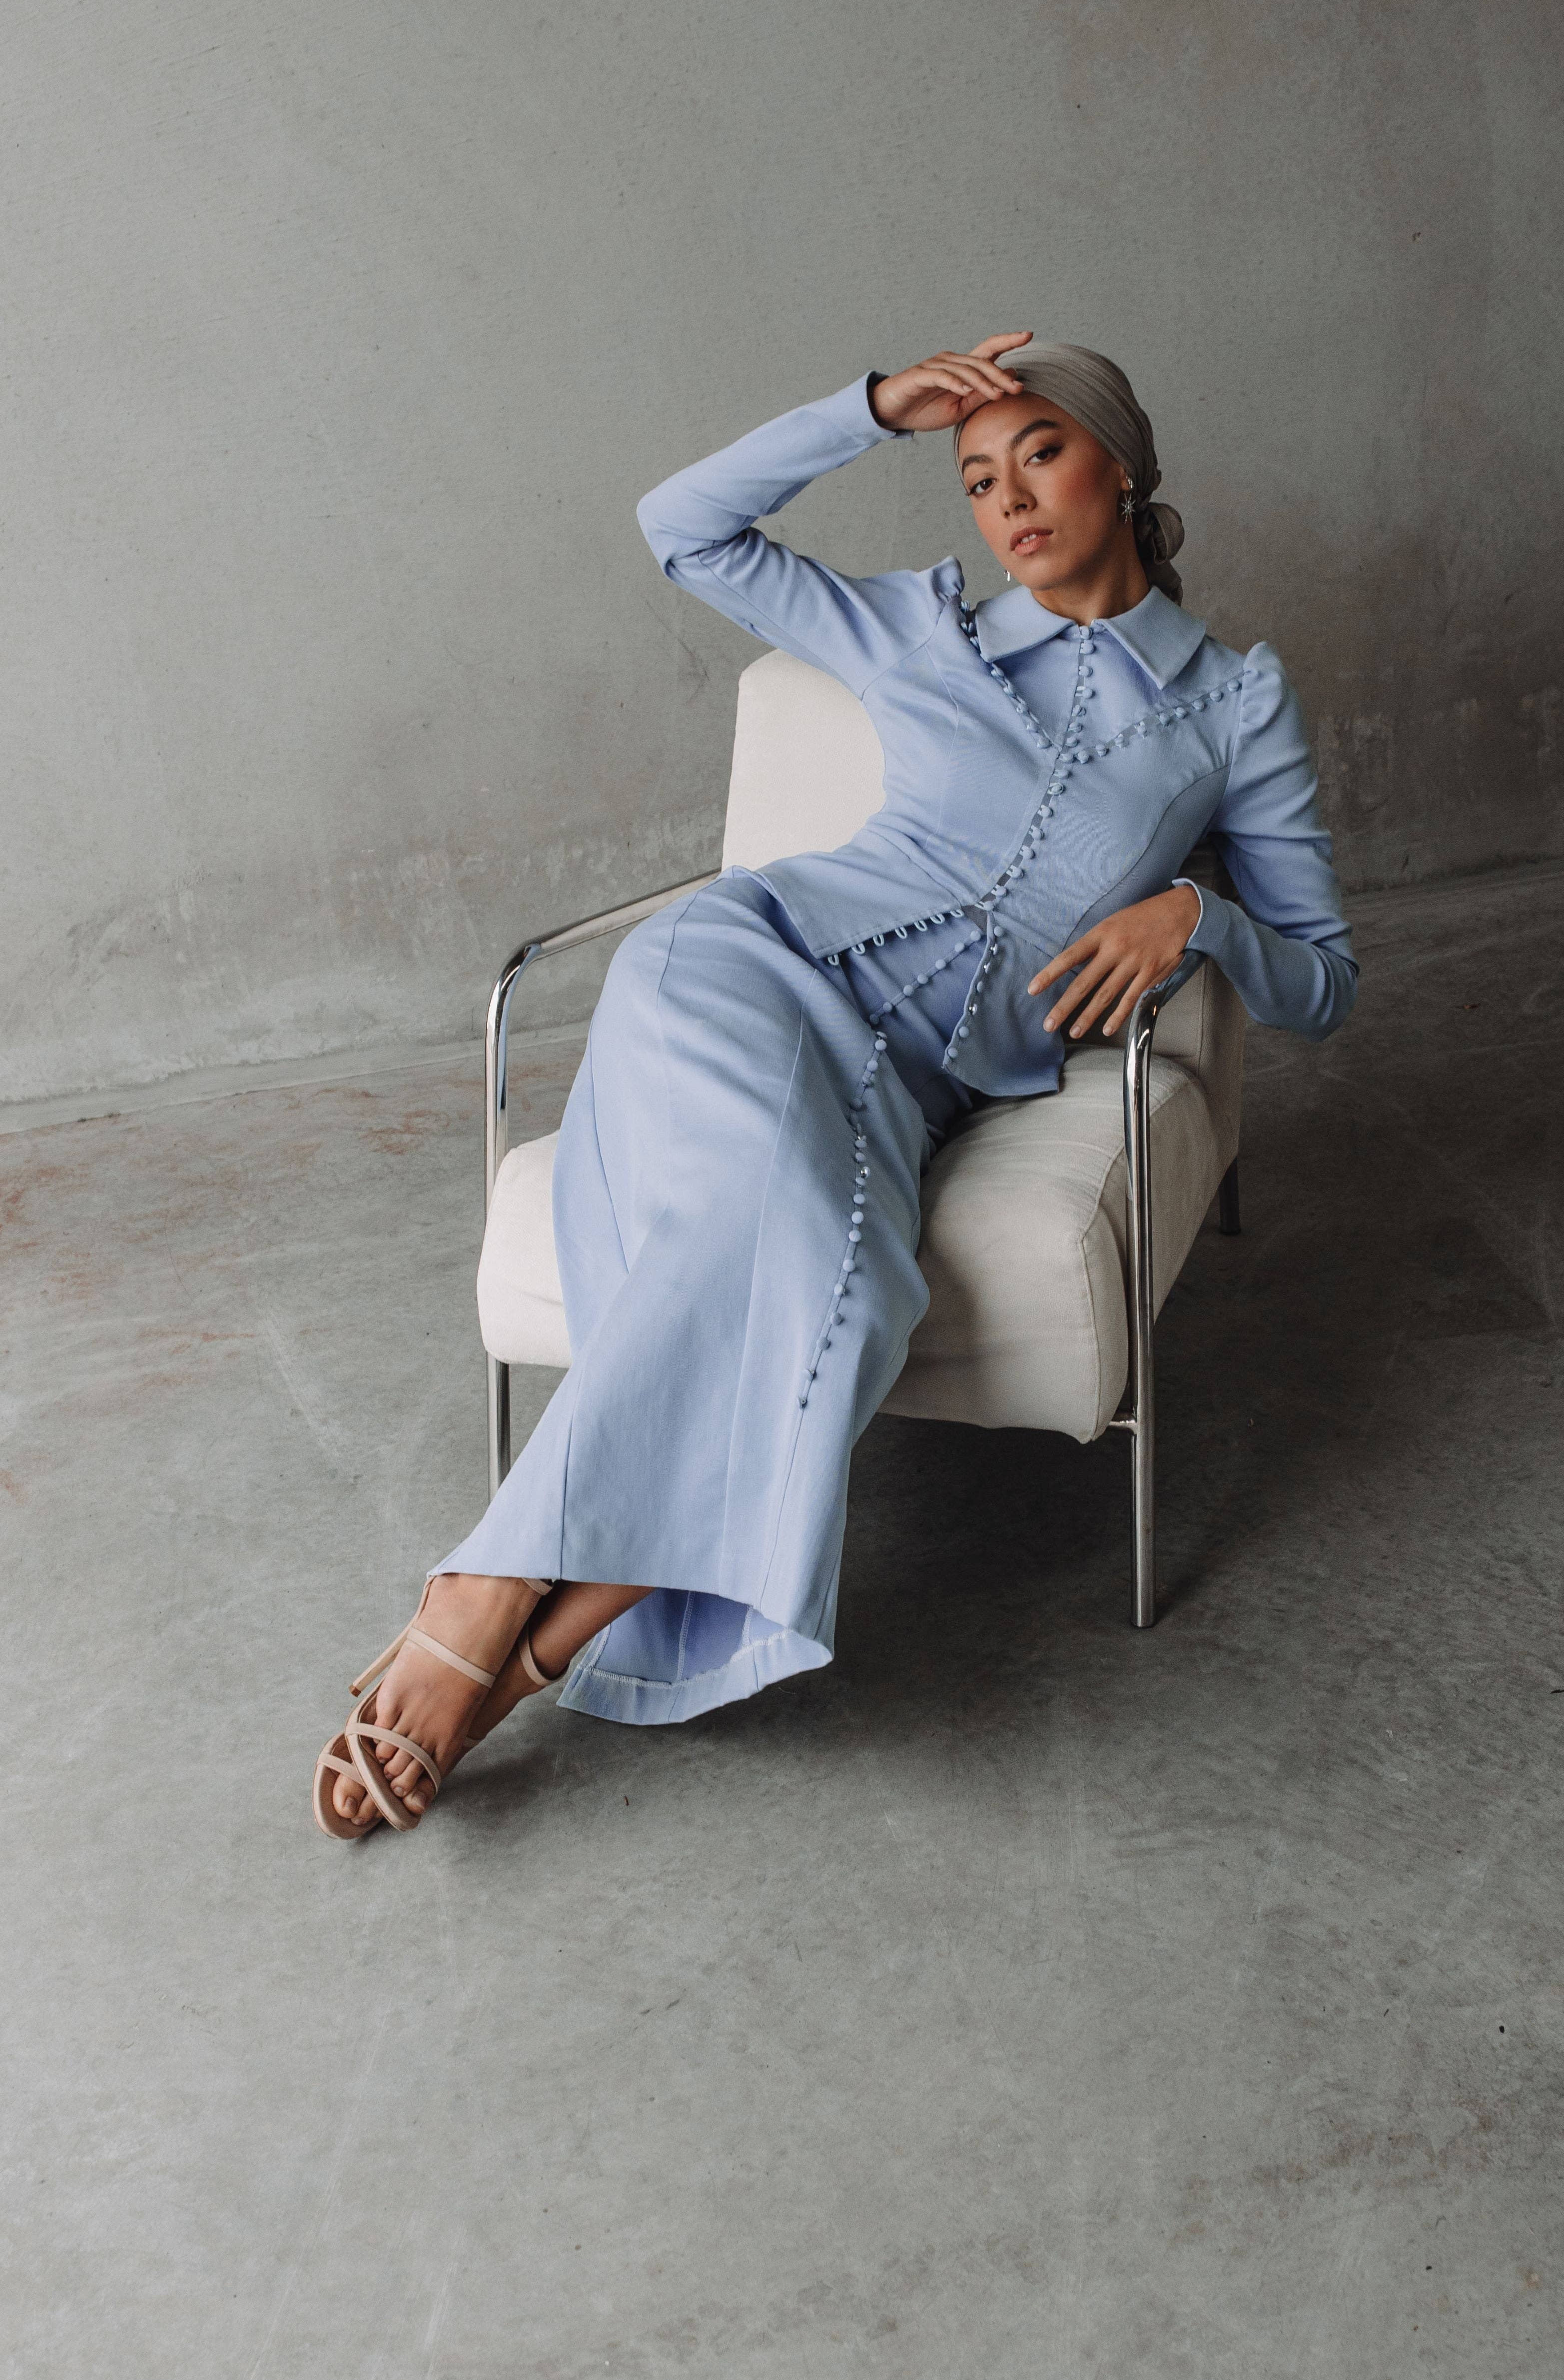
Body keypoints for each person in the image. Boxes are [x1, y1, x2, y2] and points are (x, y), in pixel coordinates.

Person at [315, 331, 1357, 1838]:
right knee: (787, 1248)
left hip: (906, 1088)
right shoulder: (919, 631)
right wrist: (871, 410)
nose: (1008, 502)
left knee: (852, 1295)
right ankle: (495, 1611)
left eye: (1042, 455)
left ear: (1122, 465)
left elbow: (1325, 979)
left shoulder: (1235, 707)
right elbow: (680, 527)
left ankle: (511, 1628)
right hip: (743, 969)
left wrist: (1198, 916)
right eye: (976, 477)